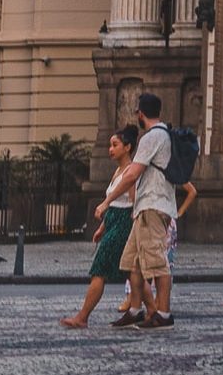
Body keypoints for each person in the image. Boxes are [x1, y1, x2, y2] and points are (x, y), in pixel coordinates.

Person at [91, 92, 177, 330]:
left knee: (157, 263)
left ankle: (164, 313)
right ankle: (136, 310)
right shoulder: (163, 134)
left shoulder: (153, 137)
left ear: (141, 113)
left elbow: (132, 174)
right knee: (132, 262)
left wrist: (107, 201)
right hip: (145, 208)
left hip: (153, 205)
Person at [60, 125, 138, 328]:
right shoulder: (118, 170)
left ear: (127, 147)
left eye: (115, 145)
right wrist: (103, 227)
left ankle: (83, 316)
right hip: (113, 221)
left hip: (123, 224)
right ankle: (151, 311)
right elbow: (115, 203)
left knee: (100, 269)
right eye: (110, 145)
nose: (110, 149)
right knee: (132, 272)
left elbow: (133, 203)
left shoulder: (130, 172)